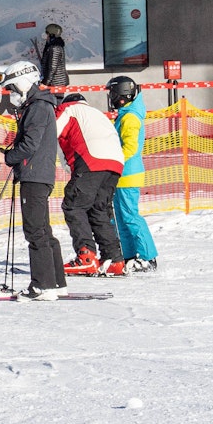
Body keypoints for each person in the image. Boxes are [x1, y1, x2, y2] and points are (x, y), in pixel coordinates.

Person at [0, 62, 66, 300]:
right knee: (43, 230)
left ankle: (43, 285)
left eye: (13, 88)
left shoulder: (38, 107)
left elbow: (30, 144)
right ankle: (56, 282)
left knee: (35, 230)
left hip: (35, 175)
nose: (12, 94)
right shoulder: (37, 105)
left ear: (25, 82)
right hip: (37, 173)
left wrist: (6, 157)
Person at [55, 94, 126, 276]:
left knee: (73, 205)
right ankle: (115, 260)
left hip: (91, 160)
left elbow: (52, 131)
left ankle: (86, 256)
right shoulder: (97, 114)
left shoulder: (68, 109)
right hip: (116, 163)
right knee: (99, 210)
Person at [108, 77, 158, 273]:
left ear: (121, 94)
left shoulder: (130, 117)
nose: (111, 97)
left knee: (130, 216)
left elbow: (130, 147)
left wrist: (115, 159)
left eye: (113, 93)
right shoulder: (124, 115)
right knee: (120, 218)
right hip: (121, 174)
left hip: (128, 173)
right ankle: (129, 256)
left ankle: (148, 256)